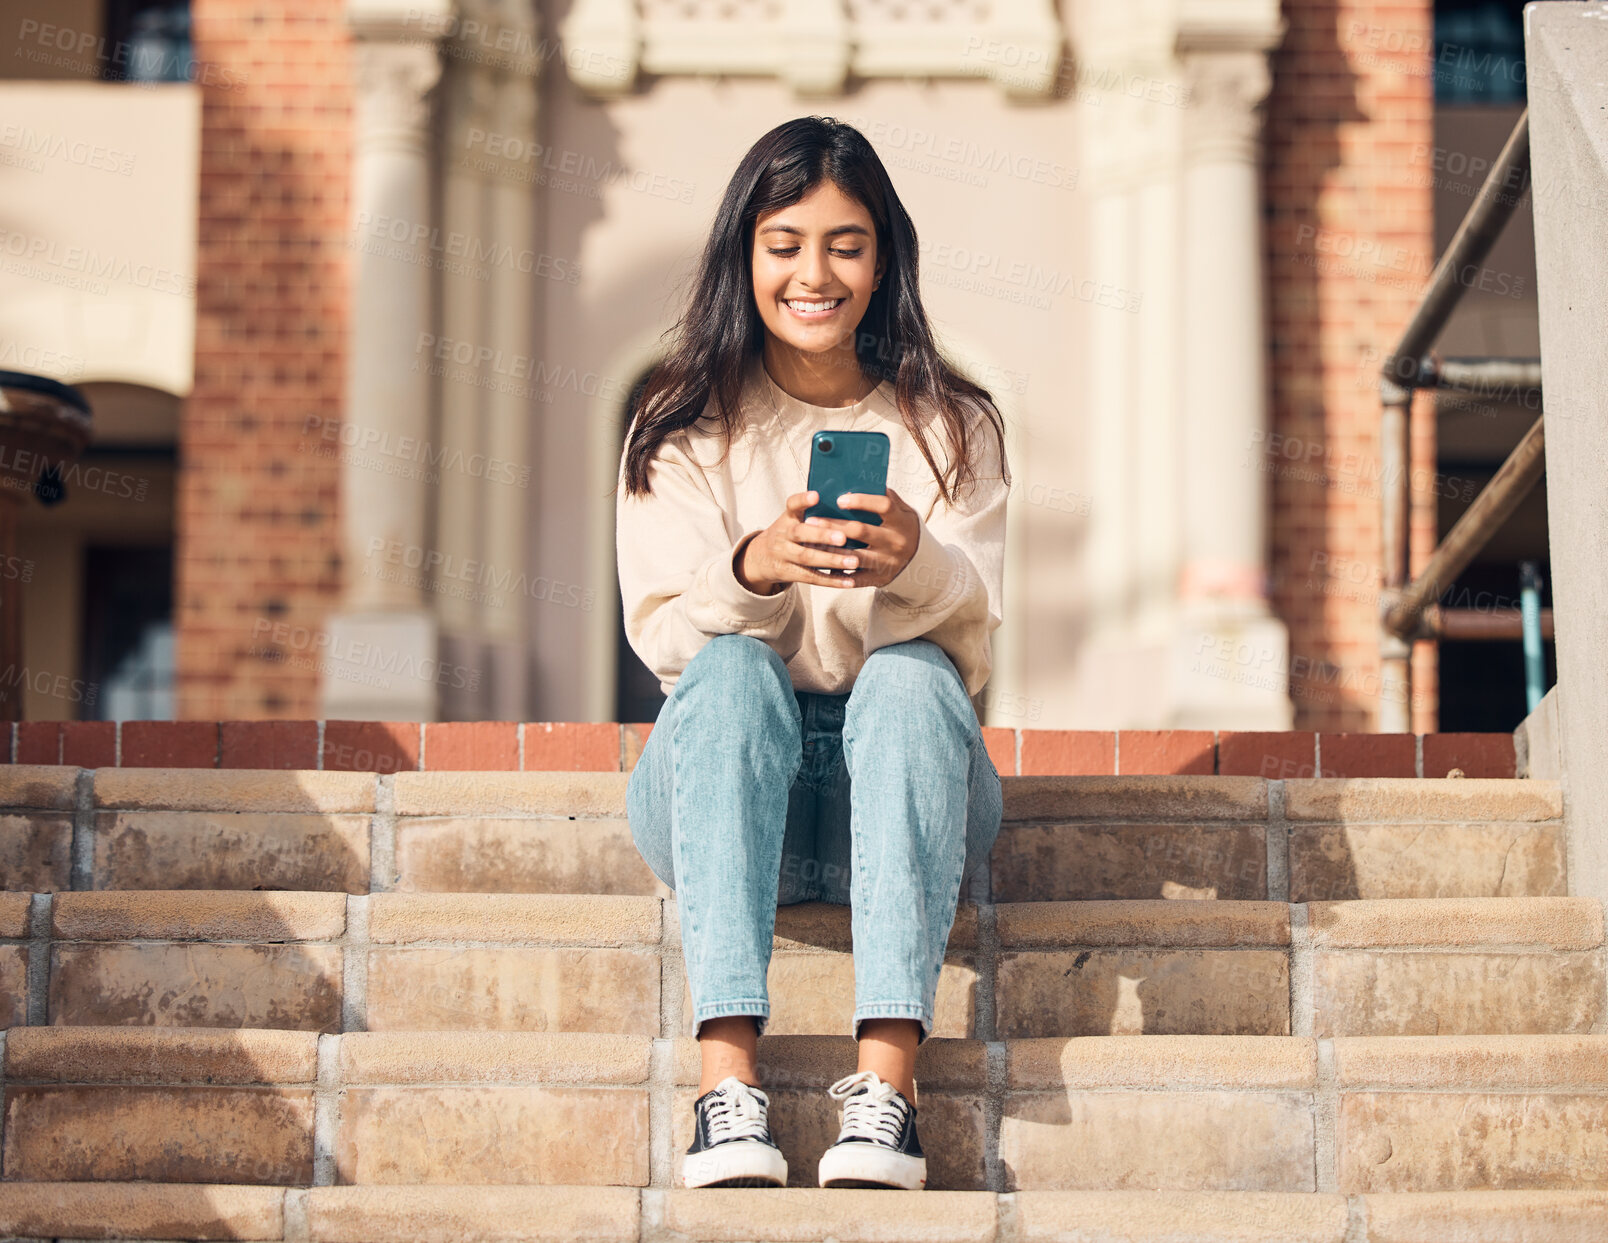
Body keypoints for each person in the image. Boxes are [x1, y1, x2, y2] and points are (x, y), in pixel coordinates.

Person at [614, 115, 1010, 1191]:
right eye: (785, 243)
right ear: (744, 256)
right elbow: (659, 634)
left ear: (884, 262)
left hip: (905, 795)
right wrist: (754, 567)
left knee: (917, 673)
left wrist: (913, 559)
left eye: (846, 244)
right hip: (728, 798)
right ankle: (725, 1092)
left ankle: (888, 1090)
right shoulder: (681, 421)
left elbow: (973, 638)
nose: (814, 273)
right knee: (735, 669)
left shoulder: (950, 424)